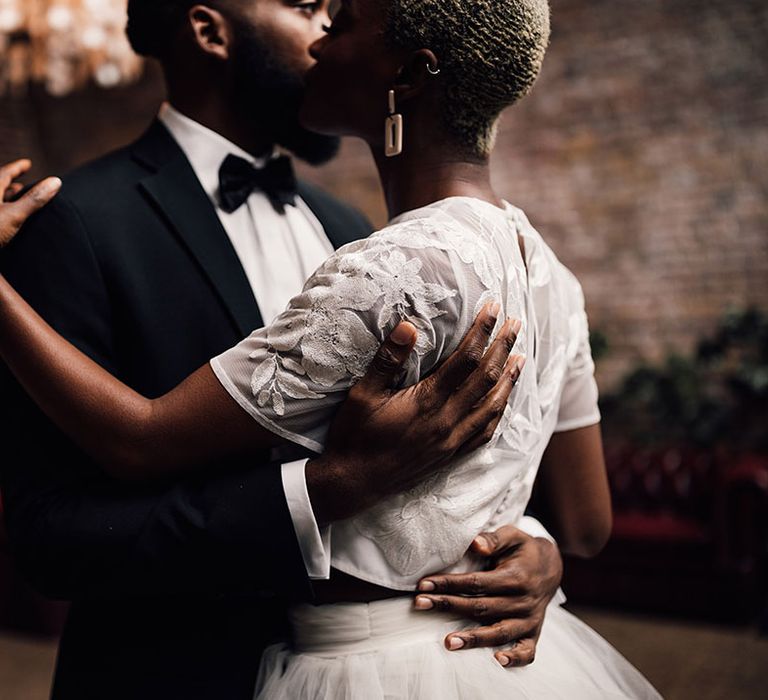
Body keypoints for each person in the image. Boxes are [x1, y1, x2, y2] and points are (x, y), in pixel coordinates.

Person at [0, 1, 564, 699]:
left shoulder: (355, 231)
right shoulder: (75, 221)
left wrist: (529, 547)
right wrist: (322, 491)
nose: (326, 29)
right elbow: (51, 539)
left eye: (339, 15)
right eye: (306, 7)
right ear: (210, 31)